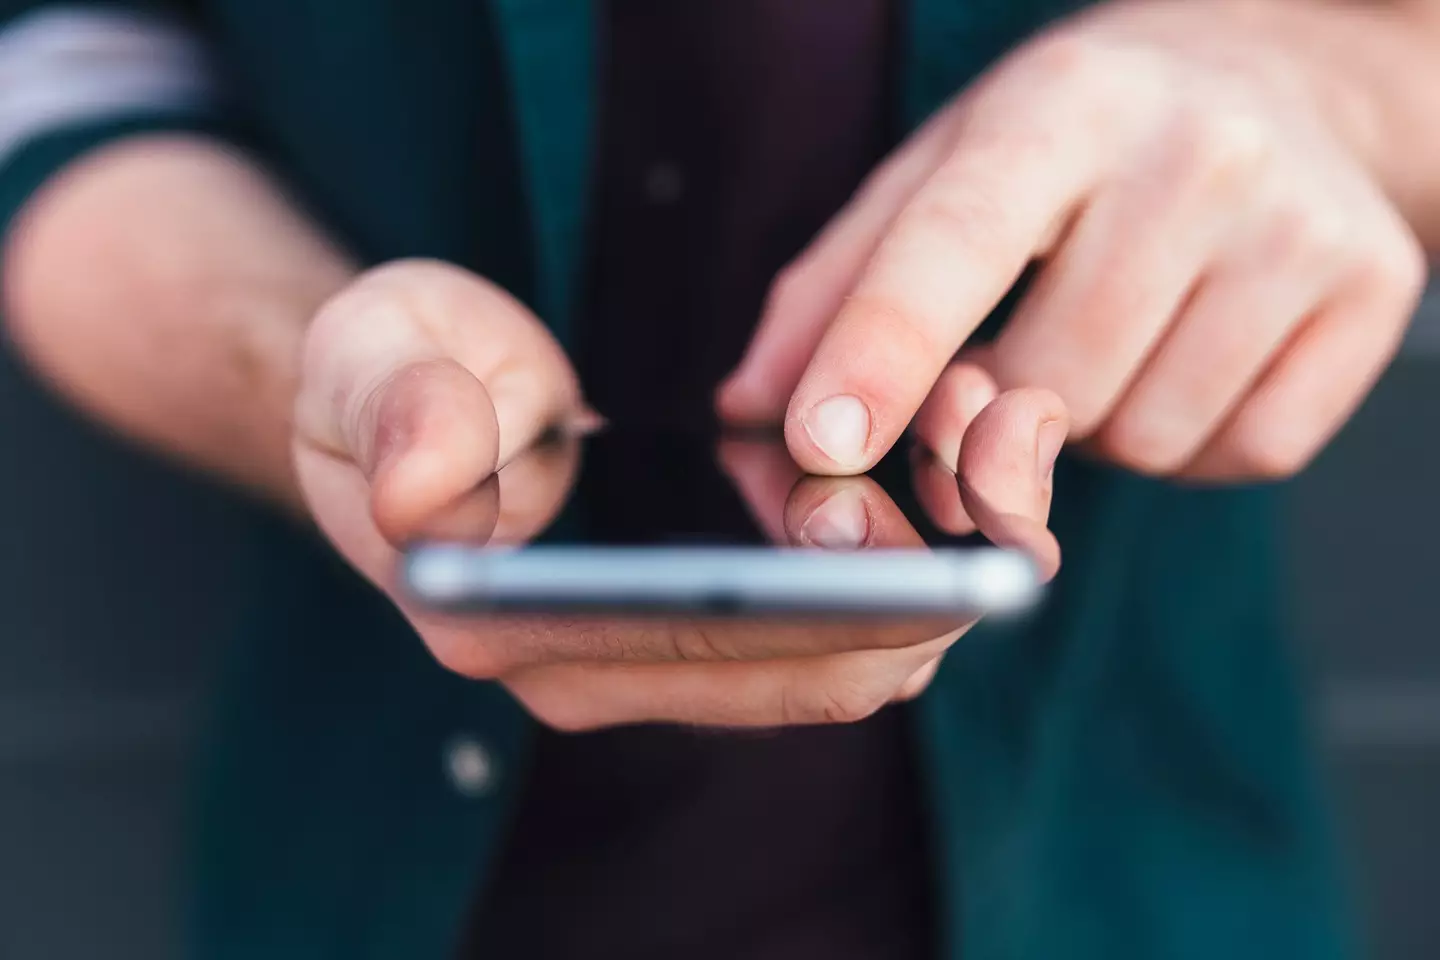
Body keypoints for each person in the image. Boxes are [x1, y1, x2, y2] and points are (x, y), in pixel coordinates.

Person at [0, 0, 1432, 957]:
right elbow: (60, 58)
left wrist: (1335, 85)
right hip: (364, 874)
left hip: (1136, 865)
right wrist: (311, 374)